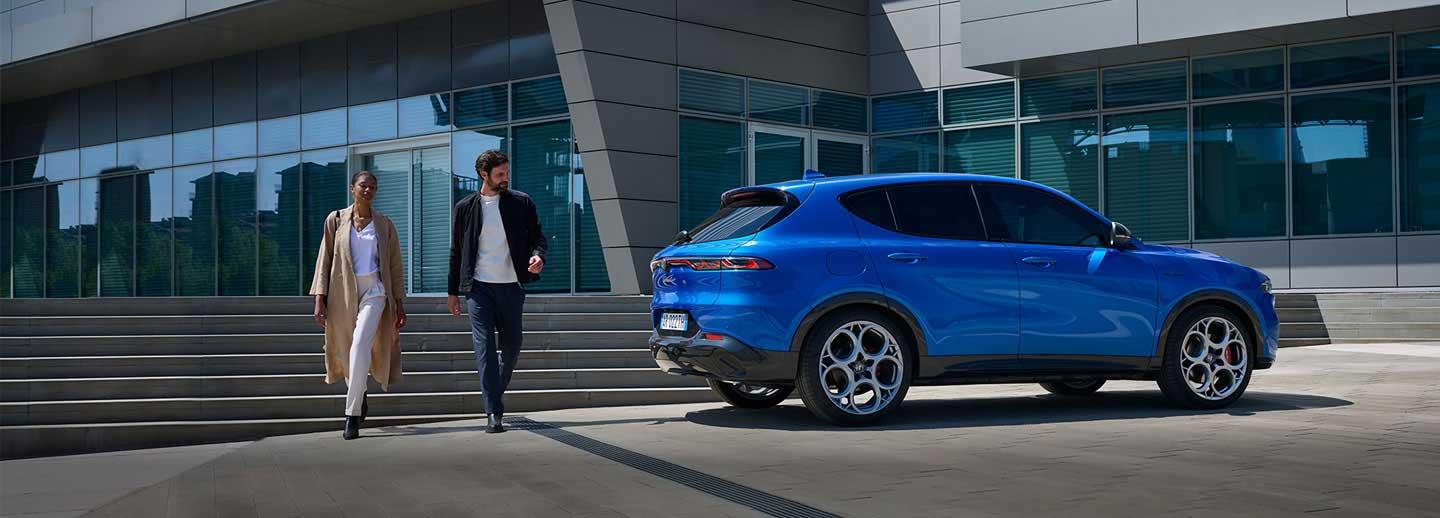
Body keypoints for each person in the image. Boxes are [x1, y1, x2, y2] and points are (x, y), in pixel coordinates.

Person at [448, 150, 547, 434]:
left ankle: (493, 393)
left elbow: (538, 236)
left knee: (512, 347)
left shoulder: (521, 202)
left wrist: (538, 255)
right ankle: (493, 411)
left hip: (511, 288)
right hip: (478, 289)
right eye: (500, 174)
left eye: (506, 173)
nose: (505, 178)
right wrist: (452, 291)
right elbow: (456, 252)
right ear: (484, 174)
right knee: (485, 350)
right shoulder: (465, 208)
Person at [310, 170, 408, 440]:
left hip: (375, 291)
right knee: (346, 347)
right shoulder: (336, 220)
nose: (369, 190)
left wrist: (399, 303)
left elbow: (395, 266)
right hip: (342, 292)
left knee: (359, 344)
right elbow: (324, 260)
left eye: (373, 187)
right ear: (352, 187)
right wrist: (320, 297)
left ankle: (351, 415)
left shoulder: (385, 224)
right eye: (364, 186)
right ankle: (360, 392)